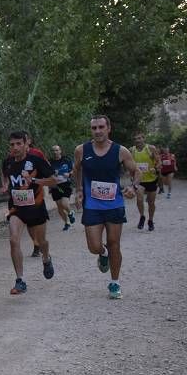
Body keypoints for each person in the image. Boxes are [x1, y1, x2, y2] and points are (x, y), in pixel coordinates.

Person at [73, 115, 141, 299]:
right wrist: (79, 189)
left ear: (109, 128)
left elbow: (137, 172)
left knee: (114, 243)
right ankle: (102, 254)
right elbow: (76, 169)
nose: (97, 131)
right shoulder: (81, 150)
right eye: (94, 128)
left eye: (101, 127)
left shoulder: (121, 151)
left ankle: (115, 283)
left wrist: (133, 187)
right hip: (92, 205)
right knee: (94, 246)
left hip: (114, 204)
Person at [0, 132, 58, 295]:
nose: (15, 148)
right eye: (12, 145)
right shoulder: (7, 162)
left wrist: (34, 180)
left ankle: (46, 258)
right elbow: (5, 176)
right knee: (13, 240)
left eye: (19, 144)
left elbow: (54, 181)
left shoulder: (36, 161)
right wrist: (5, 186)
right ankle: (20, 280)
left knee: (41, 241)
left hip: (36, 206)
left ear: (27, 144)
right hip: (16, 208)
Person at [130, 133, 160, 231]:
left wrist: (155, 168)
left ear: (144, 138)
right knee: (139, 199)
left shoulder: (151, 148)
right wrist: (131, 173)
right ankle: (142, 216)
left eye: (139, 138)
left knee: (151, 203)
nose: (137, 140)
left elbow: (159, 162)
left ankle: (150, 220)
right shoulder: (132, 150)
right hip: (139, 180)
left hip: (151, 179)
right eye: (135, 139)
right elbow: (129, 164)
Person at [47, 144, 77, 231]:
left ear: (60, 151)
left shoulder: (66, 160)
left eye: (56, 150)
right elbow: (47, 172)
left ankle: (70, 213)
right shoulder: (50, 162)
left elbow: (73, 169)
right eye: (53, 150)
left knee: (64, 203)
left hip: (65, 184)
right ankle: (66, 223)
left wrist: (69, 174)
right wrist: (52, 174)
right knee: (59, 207)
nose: (55, 152)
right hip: (55, 186)